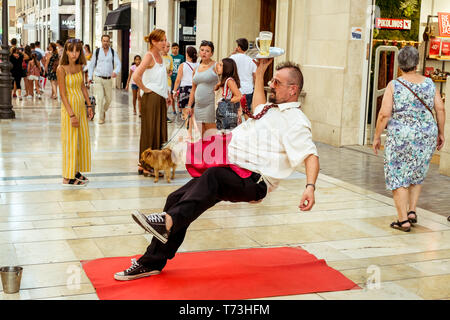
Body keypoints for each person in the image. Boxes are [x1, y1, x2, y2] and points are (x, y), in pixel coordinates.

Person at [114, 58, 320, 280]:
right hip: (232, 167)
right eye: (272, 80)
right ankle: (151, 262)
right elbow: (258, 105)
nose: (272, 84)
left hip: (255, 180)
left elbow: (311, 155)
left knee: (214, 177)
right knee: (176, 198)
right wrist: (260, 74)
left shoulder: (297, 121)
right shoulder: (271, 108)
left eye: (277, 82)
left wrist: (310, 187)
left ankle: (168, 222)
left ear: (293, 89)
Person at [373, 46, 446, 232]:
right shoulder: (430, 84)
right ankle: (412, 210)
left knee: (398, 176)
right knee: (416, 173)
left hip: (401, 136)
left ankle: (403, 220)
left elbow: (384, 114)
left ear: (399, 64)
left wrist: (376, 136)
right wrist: (441, 132)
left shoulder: (394, 85)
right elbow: (440, 108)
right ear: (417, 63)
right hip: (426, 134)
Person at [133, 29, 173, 176]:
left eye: (165, 40)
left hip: (160, 98)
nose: (165, 43)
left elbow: (162, 79)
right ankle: (145, 164)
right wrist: (145, 89)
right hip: (151, 98)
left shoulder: (161, 57)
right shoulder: (149, 56)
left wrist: (167, 94)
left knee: (158, 131)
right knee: (150, 132)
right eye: (162, 40)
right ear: (154, 42)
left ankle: (150, 164)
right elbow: (136, 76)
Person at [57, 39, 95, 187]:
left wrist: (89, 105)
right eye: (71, 50)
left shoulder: (80, 66)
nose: (74, 54)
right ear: (66, 51)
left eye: (77, 50)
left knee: (80, 140)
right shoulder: (61, 68)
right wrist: (71, 115)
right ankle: (67, 176)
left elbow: (83, 87)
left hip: (80, 105)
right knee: (70, 141)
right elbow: (63, 94)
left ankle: (75, 170)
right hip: (69, 108)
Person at [186, 40, 219, 138]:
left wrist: (217, 86)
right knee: (202, 135)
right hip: (198, 106)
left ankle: (213, 153)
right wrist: (189, 106)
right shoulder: (196, 68)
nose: (204, 52)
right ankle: (204, 153)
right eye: (202, 50)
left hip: (210, 104)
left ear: (212, 53)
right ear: (199, 52)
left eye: (207, 51)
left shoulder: (216, 66)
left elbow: (224, 80)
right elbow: (193, 89)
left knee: (211, 134)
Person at [88, 34, 121, 124]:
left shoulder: (113, 52)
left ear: (109, 42)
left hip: (108, 79)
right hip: (98, 78)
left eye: (107, 41)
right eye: (104, 41)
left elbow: (118, 64)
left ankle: (103, 110)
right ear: (101, 41)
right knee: (100, 98)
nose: (105, 43)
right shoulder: (97, 51)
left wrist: (116, 71)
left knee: (109, 99)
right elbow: (91, 65)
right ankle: (101, 117)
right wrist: (90, 77)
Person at [230, 38, 257, 116]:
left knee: (234, 113)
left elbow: (225, 64)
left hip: (235, 90)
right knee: (246, 113)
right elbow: (255, 76)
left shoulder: (233, 58)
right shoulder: (252, 60)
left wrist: (233, 53)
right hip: (248, 90)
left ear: (238, 47)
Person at [214, 58, 243, 129]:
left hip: (229, 109)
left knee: (227, 130)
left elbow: (239, 96)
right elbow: (215, 88)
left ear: (227, 68)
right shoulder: (226, 80)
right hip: (226, 108)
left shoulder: (229, 81)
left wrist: (226, 102)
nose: (218, 66)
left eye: (220, 65)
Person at [172, 46, 198, 118]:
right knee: (192, 112)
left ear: (187, 54)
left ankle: (189, 129)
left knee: (186, 113)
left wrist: (174, 91)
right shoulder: (198, 65)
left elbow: (178, 80)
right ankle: (193, 128)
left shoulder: (182, 65)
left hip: (185, 89)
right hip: (195, 89)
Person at [170, 42, 185, 114]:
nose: (175, 50)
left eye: (176, 48)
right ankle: (173, 110)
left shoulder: (181, 57)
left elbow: (183, 67)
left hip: (179, 79)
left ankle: (179, 109)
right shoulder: (170, 57)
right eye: (174, 48)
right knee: (171, 95)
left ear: (178, 49)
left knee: (179, 94)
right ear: (171, 49)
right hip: (171, 79)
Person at [162, 41, 175, 120]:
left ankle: (164, 115)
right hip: (160, 82)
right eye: (167, 46)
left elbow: (171, 69)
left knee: (167, 98)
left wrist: (170, 73)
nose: (168, 48)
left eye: (169, 46)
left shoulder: (170, 57)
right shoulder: (159, 56)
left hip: (168, 81)